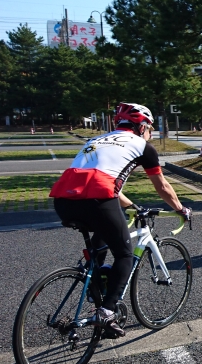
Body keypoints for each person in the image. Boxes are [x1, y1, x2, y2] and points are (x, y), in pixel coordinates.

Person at [49, 102, 192, 338]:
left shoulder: (96, 140)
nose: (151, 133)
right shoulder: (142, 146)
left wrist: (133, 207)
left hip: (63, 201)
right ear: (142, 126)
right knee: (125, 254)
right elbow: (163, 187)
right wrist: (180, 208)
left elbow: (104, 181)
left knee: (101, 244)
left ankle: (94, 284)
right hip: (96, 200)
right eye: (150, 128)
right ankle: (106, 311)